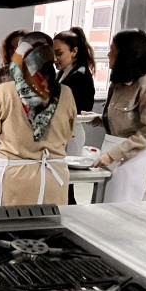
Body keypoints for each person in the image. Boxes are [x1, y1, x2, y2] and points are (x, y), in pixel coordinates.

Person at [0, 32, 76, 205]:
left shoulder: (2, 93)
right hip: (54, 179)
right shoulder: (66, 93)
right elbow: (67, 136)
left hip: (15, 180)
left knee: (12, 223)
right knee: (50, 222)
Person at [92, 29, 146, 202]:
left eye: (112, 50)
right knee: (103, 205)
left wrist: (114, 154)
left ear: (126, 54)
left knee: (123, 207)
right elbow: (126, 119)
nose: (108, 54)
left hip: (135, 159)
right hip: (112, 154)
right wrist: (102, 119)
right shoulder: (119, 84)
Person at [53, 27, 96, 204]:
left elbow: (81, 107)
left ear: (74, 52)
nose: (55, 59)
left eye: (59, 53)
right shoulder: (62, 73)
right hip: (61, 132)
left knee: (66, 181)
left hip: (72, 133)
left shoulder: (80, 76)